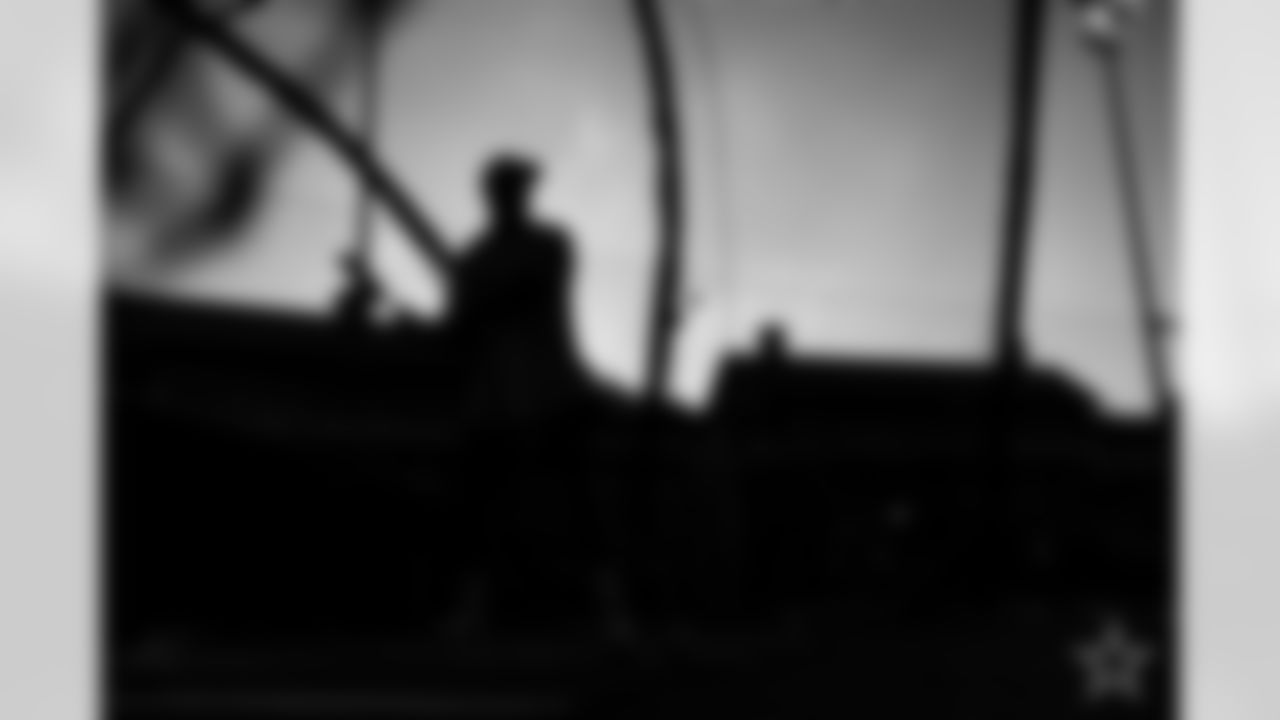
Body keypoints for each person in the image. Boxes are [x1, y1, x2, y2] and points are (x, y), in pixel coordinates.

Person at [438, 154, 634, 641]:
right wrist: (460, 319)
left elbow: (526, 292)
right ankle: (472, 609)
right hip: (493, 399)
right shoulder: (473, 259)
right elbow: (458, 328)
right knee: (479, 506)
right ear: (491, 195)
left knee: (583, 503)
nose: (512, 196)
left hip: (553, 389)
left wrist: (473, 308)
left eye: (518, 188)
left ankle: (611, 609)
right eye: (505, 188)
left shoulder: (550, 244)